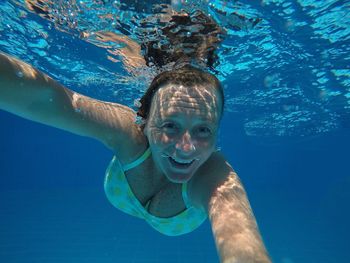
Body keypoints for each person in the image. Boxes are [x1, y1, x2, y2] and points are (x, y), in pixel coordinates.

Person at [0, 7, 271, 263]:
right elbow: (48, 98)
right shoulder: (128, 132)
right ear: (145, 120)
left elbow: (241, 237)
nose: (186, 149)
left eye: (203, 130)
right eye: (170, 126)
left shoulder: (216, 177)